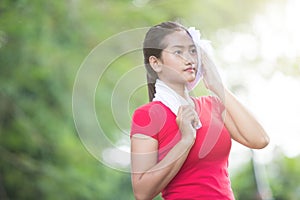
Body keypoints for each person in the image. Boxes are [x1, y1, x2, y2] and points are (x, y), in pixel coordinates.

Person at [130, 21, 269, 200]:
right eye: (178, 52)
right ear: (156, 63)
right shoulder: (148, 115)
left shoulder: (213, 105)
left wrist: (218, 86)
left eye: (192, 50)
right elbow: (142, 193)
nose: (189, 59)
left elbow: (260, 140)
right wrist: (185, 141)